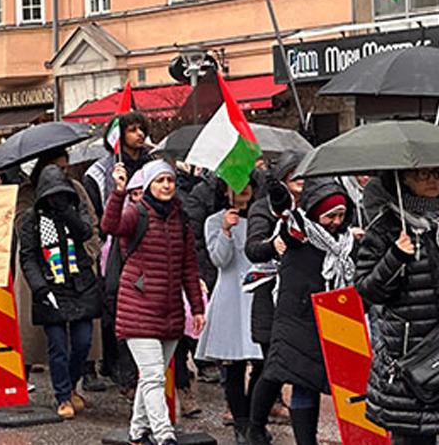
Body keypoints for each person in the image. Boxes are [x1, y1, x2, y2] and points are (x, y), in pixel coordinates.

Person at [355, 170, 439, 444]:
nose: (432, 181)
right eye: (421, 176)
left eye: (435, 175)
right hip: (411, 351)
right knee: (412, 434)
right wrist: (395, 256)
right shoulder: (385, 227)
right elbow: (368, 289)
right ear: (403, 181)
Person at [249, 179, 361, 445]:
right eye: (330, 216)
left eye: (341, 215)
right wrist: (279, 197)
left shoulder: (346, 241)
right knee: (301, 381)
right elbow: (289, 221)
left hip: (335, 316)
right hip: (297, 316)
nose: (335, 221)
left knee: (326, 382)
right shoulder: (300, 233)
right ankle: (268, 431)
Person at [102, 160, 204, 445]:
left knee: (152, 377)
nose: (166, 186)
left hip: (170, 312)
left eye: (169, 180)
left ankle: (137, 431)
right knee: (154, 376)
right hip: (138, 308)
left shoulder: (181, 219)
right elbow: (109, 225)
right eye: (159, 181)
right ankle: (164, 434)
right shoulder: (136, 213)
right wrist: (118, 192)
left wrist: (196, 308)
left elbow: (189, 269)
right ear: (148, 185)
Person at [19, 166, 103, 419]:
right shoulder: (31, 220)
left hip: (80, 284)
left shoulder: (76, 209)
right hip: (51, 285)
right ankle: (63, 395)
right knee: (57, 345)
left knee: (82, 341)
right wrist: (39, 287)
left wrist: (68, 213)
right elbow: (28, 257)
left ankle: (72, 381)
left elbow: (85, 232)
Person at [197, 179, 262, 445]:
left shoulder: (261, 218)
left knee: (262, 362)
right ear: (225, 190)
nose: (243, 188)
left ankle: (254, 419)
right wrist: (225, 230)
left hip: (258, 294)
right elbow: (219, 260)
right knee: (233, 365)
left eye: (248, 183)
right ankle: (241, 423)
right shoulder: (214, 220)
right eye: (236, 183)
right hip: (230, 296)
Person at [243, 153, 305, 437]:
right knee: (272, 367)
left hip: (305, 295)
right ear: (283, 179)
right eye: (295, 176)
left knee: (294, 368)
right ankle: (254, 428)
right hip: (272, 298)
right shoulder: (263, 208)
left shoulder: (311, 206)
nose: (302, 181)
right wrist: (274, 243)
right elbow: (253, 248)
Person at [84, 111, 153, 219]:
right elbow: (95, 212)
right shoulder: (99, 172)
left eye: (141, 129)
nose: (140, 133)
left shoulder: (154, 164)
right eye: (132, 130)